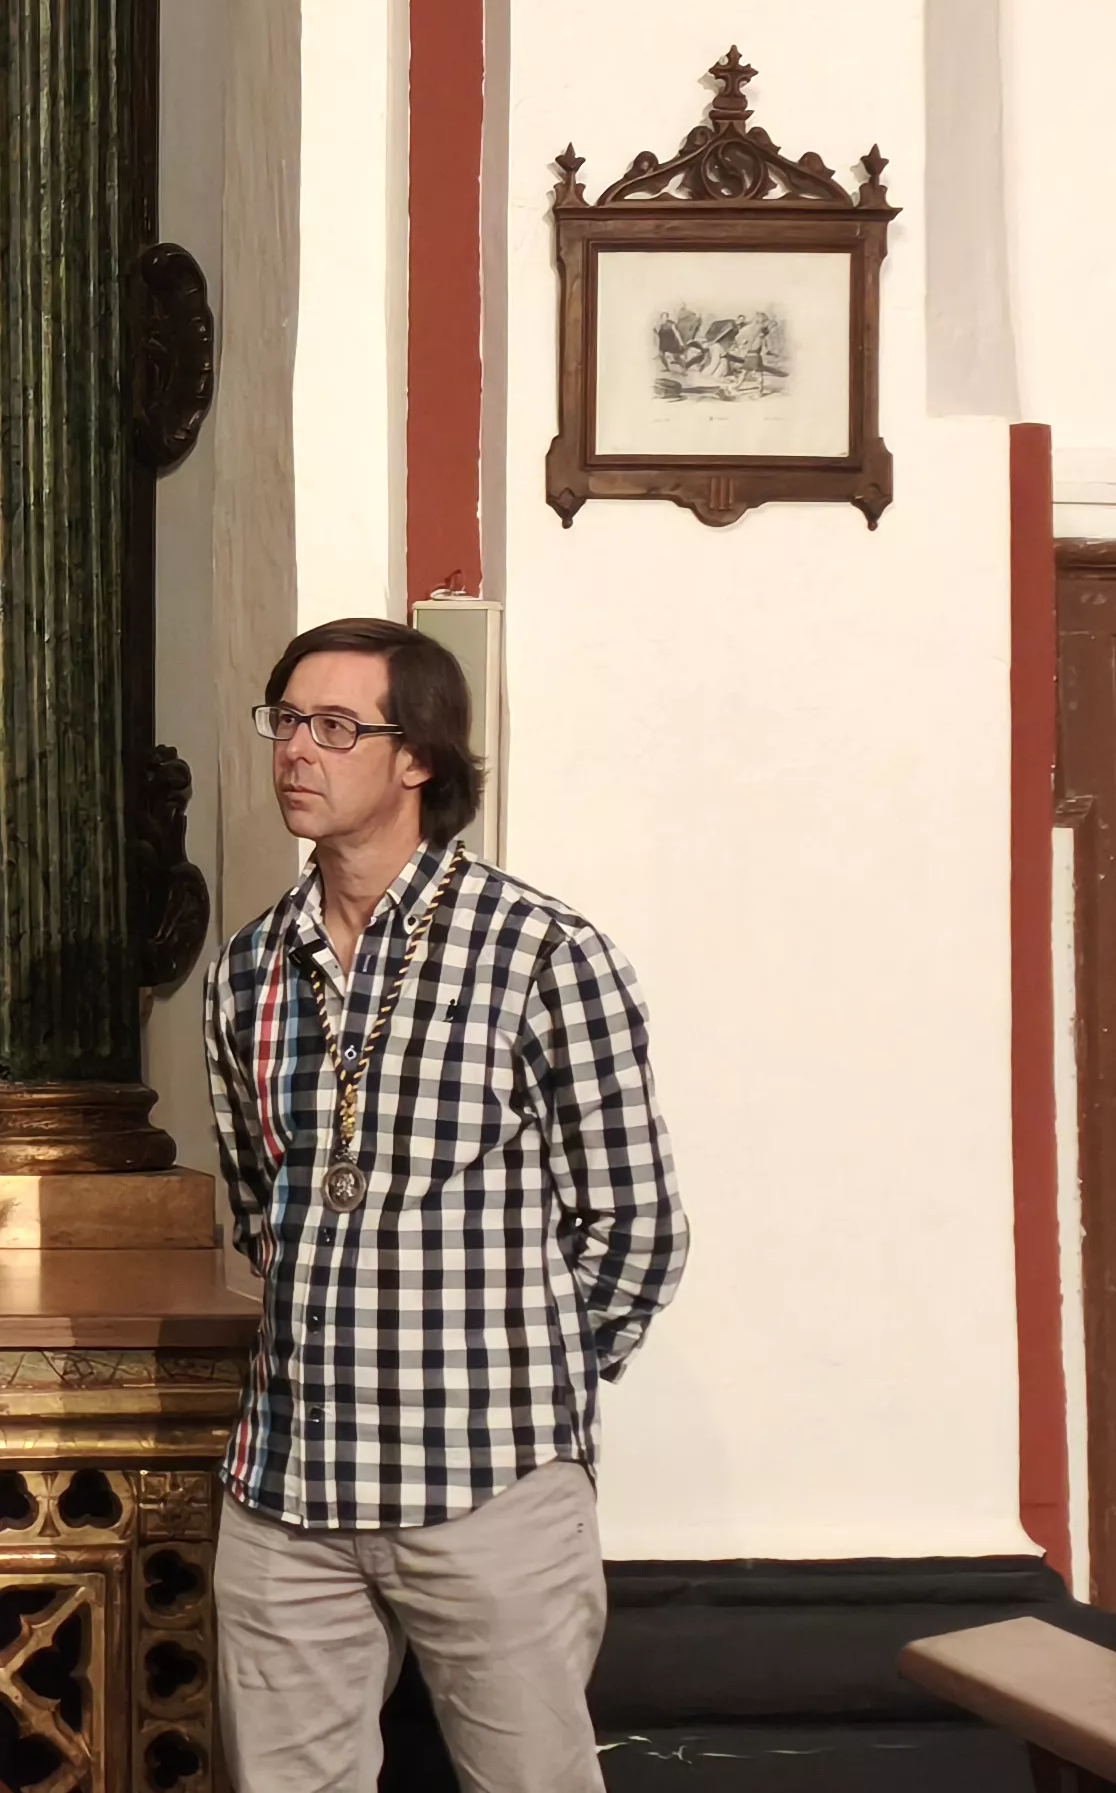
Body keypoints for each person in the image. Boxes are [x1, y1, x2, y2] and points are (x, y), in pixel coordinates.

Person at [198, 618, 687, 1793]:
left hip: (486, 1481)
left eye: (334, 727)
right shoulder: (251, 967)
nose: (295, 753)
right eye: (284, 723)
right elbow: (263, 1208)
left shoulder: (540, 952)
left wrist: (529, 1381)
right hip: (289, 1487)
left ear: (417, 757)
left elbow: (635, 1224)